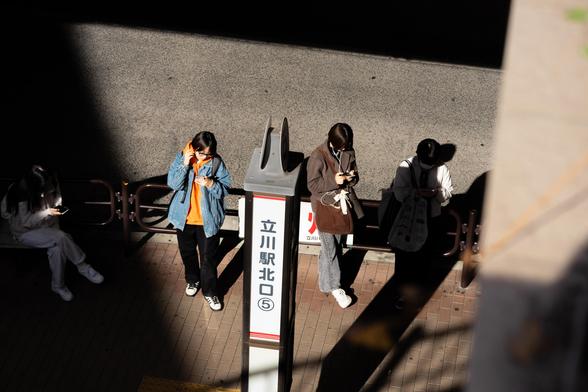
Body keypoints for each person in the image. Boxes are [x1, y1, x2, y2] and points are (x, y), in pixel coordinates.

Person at [0, 165, 104, 302]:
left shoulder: (50, 180)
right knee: (61, 236)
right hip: (26, 233)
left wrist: (56, 208)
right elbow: (24, 222)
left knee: (57, 249)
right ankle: (83, 266)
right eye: (43, 188)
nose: (47, 189)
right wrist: (46, 213)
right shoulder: (19, 193)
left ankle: (58, 285)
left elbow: (57, 197)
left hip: (49, 225)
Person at [167, 131, 231, 311]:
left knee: (208, 259)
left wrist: (211, 184)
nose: (204, 157)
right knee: (187, 253)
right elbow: (173, 183)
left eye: (208, 154)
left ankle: (210, 292)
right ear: (194, 148)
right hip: (183, 219)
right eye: (201, 153)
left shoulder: (216, 163)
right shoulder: (183, 158)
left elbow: (225, 190)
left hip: (207, 221)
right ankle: (193, 280)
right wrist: (185, 164)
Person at [391, 138, 454, 309]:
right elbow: (398, 192)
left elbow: (448, 192)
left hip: (430, 219)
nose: (429, 166)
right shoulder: (406, 166)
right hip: (408, 219)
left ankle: (416, 294)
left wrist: (435, 194)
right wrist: (416, 193)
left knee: (424, 259)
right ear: (418, 156)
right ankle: (402, 294)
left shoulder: (442, 169)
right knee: (404, 259)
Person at [307, 123, 361, 308]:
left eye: (347, 145)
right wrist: (334, 180)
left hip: (341, 205)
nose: (345, 148)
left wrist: (351, 177)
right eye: (342, 146)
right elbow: (312, 185)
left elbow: (355, 176)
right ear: (333, 141)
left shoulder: (348, 150)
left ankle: (325, 283)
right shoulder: (317, 156)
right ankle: (335, 287)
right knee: (331, 249)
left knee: (333, 245)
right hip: (325, 207)